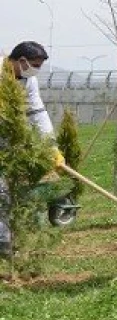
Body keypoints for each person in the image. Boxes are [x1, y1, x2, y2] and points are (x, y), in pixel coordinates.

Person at [0, 41, 65, 259]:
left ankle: (6, 242)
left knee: (7, 192)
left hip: (9, 141)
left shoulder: (29, 81)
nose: (35, 69)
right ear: (21, 61)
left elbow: (37, 113)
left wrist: (52, 147)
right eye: (34, 65)